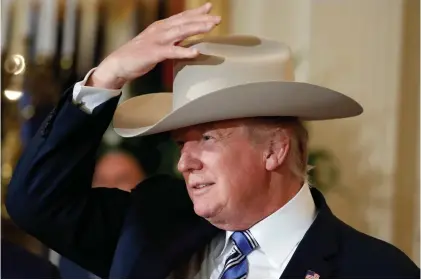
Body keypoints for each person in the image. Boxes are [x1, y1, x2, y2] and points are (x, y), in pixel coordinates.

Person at [5, 3, 419, 279]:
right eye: (181, 143)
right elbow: (35, 202)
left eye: (206, 137)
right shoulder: (154, 225)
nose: (185, 162)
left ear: (275, 149)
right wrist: (107, 77)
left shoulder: (376, 270)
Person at [57, 148, 147, 279]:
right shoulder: (68, 259)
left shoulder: (161, 250)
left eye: (121, 179)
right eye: (102, 180)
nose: (109, 187)